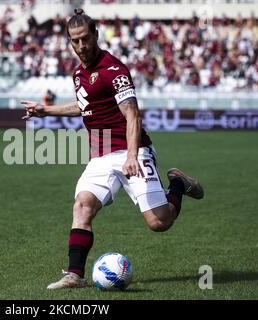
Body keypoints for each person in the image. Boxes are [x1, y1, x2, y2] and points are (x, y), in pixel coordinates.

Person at [21, 9, 204, 289]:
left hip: (132, 150)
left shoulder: (114, 69)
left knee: (159, 222)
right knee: (82, 206)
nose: (81, 46)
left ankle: (177, 183)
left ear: (96, 35)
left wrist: (132, 156)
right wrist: (47, 111)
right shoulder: (79, 73)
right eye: (75, 41)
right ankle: (74, 275)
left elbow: (132, 114)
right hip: (101, 155)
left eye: (85, 39)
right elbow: (85, 106)